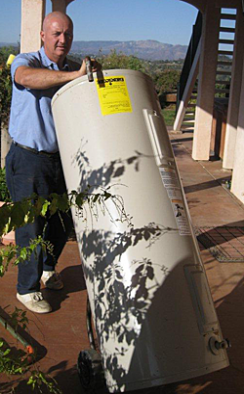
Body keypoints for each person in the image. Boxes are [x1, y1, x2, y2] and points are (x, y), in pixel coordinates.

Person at [6, 11, 100, 314]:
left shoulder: (74, 69)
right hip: (28, 159)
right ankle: (27, 288)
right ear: (44, 36)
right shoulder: (26, 62)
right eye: (57, 33)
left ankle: (48, 269)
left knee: (61, 221)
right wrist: (74, 76)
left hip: (62, 160)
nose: (63, 40)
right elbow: (26, 80)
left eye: (68, 34)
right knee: (30, 226)